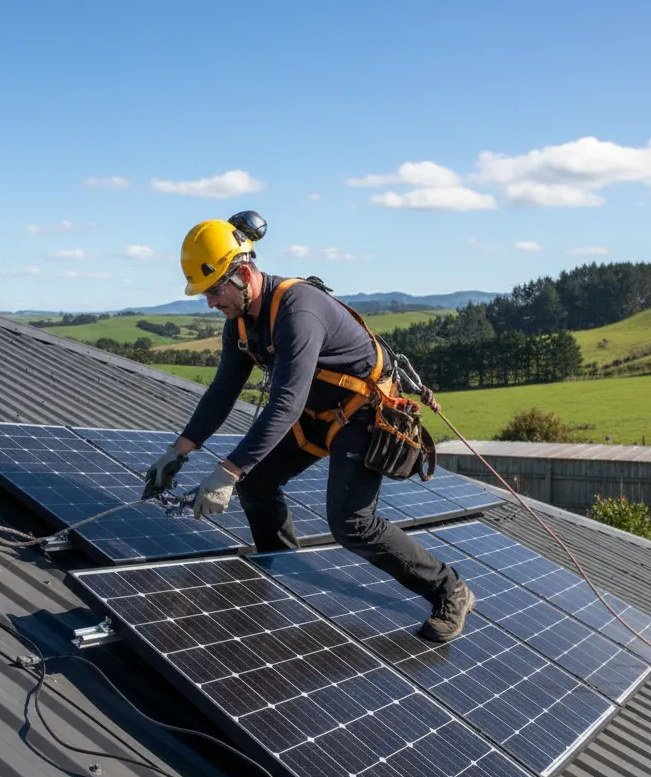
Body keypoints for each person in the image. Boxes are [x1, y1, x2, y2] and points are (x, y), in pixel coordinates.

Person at [144, 215, 475, 643]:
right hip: (318, 414)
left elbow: (286, 403)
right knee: (258, 483)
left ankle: (450, 589)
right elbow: (222, 392)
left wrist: (226, 471)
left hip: (362, 413)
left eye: (214, 289)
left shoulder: (297, 310)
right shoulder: (241, 323)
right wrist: (179, 452)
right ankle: (283, 568)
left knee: (352, 522)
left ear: (243, 274)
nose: (210, 302)